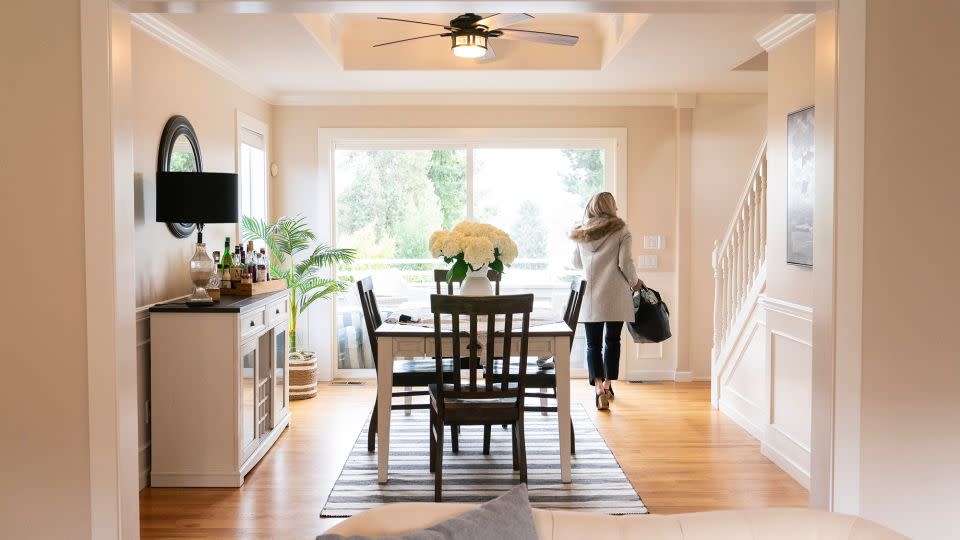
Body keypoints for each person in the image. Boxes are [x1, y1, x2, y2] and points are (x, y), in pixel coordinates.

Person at [570, 192, 644, 410]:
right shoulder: (621, 230)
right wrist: (636, 282)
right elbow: (625, 263)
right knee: (613, 341)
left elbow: (575, 262)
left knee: (593, 344)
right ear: (612, 207)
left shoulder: (581, 231)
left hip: (591, 296)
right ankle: (609, 384)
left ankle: (598, 388)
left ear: (592, 207)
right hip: (615, 295)